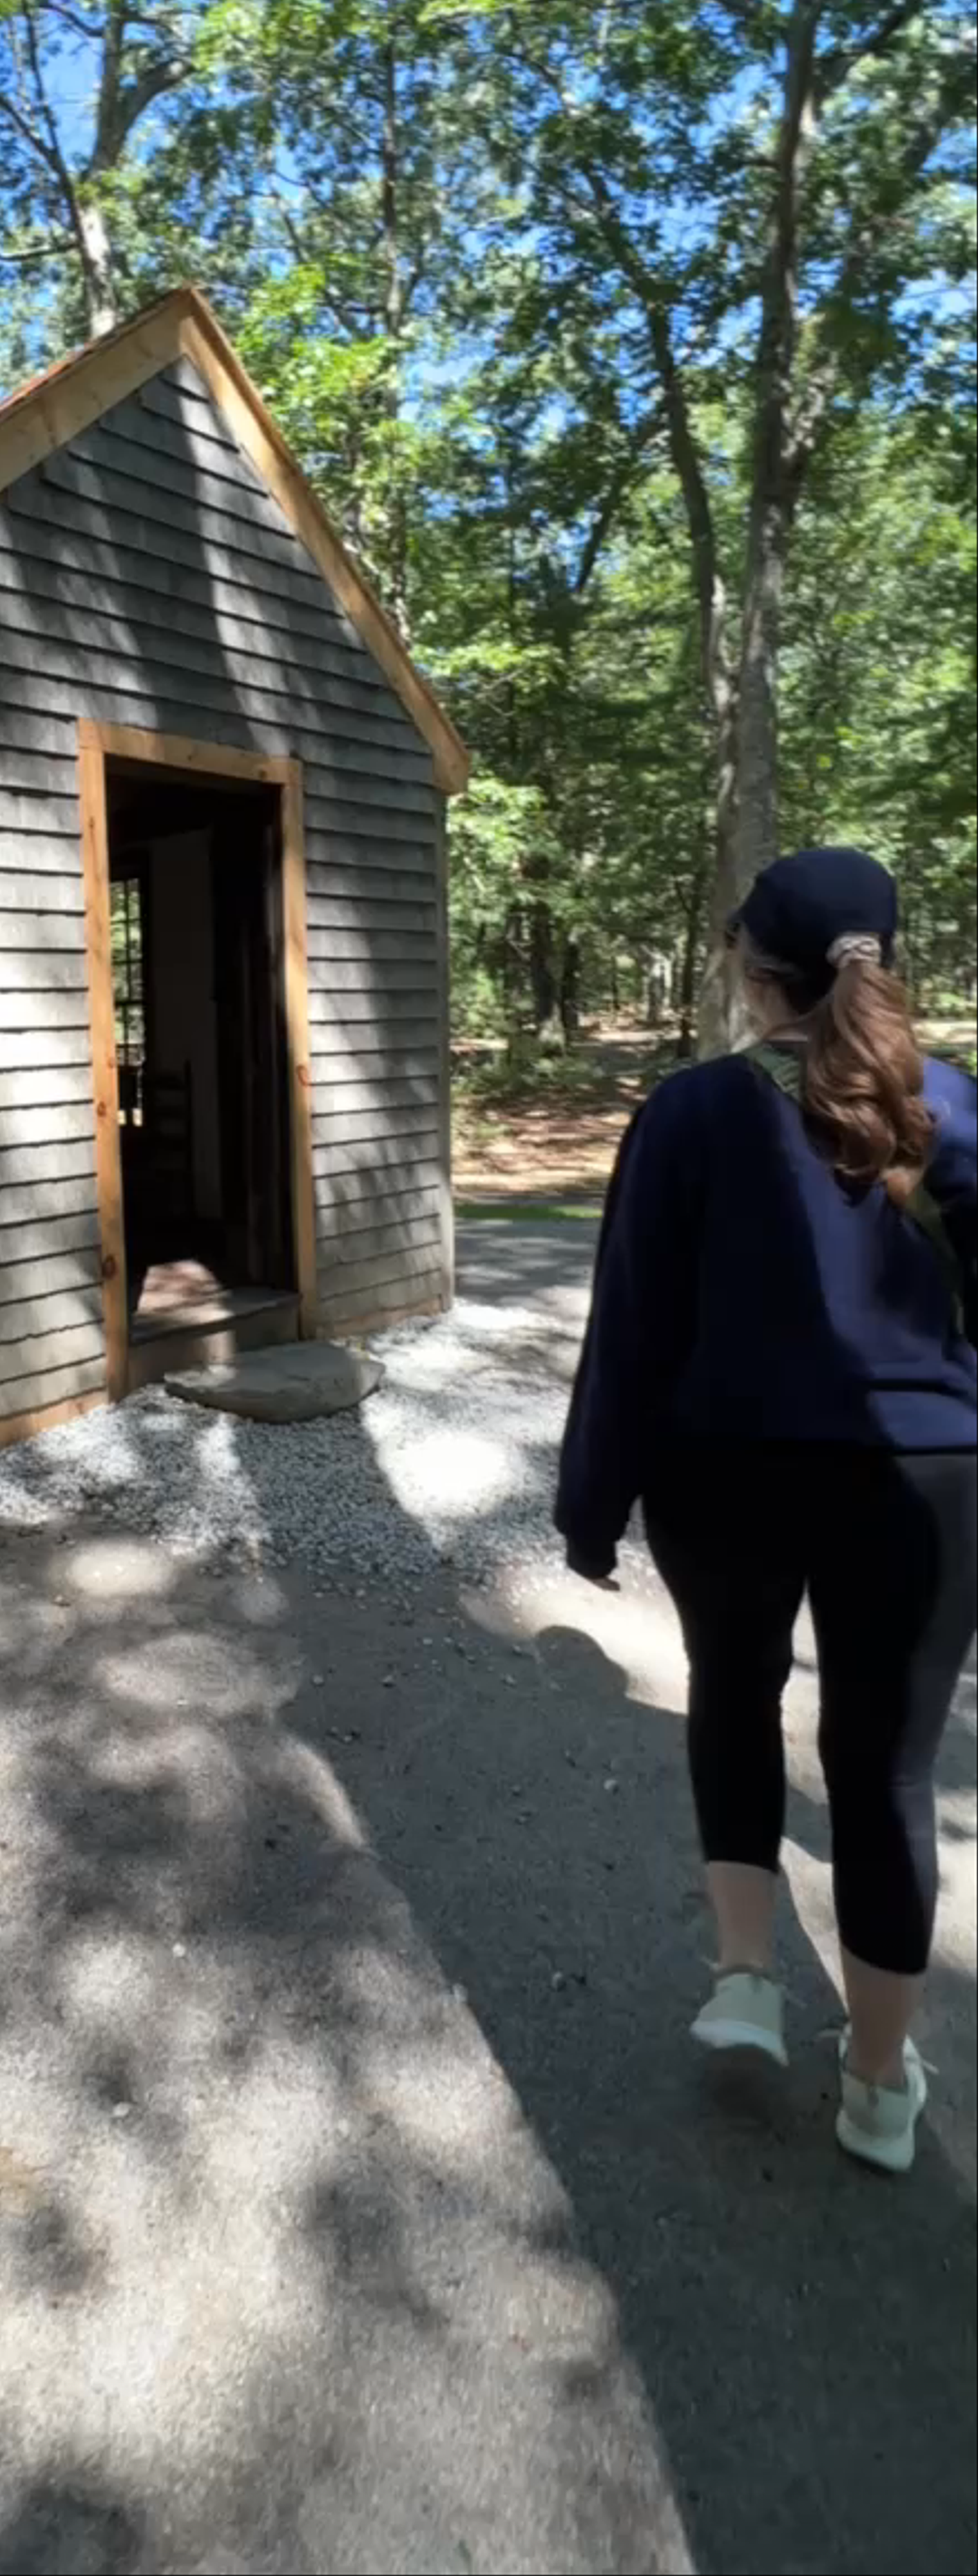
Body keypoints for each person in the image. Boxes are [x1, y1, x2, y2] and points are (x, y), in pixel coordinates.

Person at [556, 846, 976, 2174]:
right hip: (924, 1482)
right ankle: (880, 2085)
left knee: (733, 1701)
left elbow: (631, 1330)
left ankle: (746, 1979)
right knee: (888, 1772)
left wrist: (591, 1504)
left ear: (755, 971)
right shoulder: (954, 1110)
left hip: (721, 1471)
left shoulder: (690, 1112)